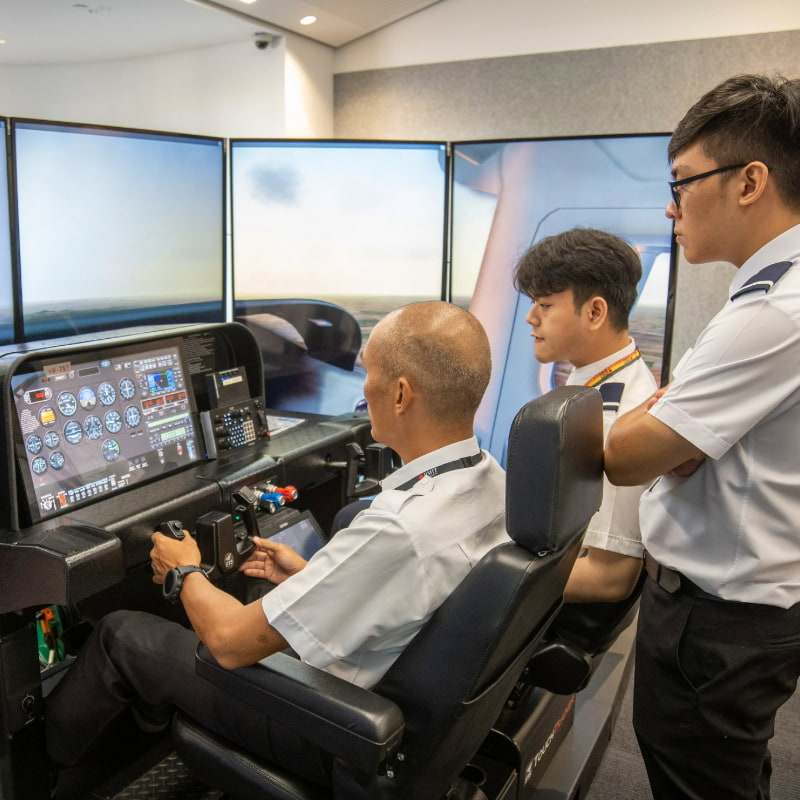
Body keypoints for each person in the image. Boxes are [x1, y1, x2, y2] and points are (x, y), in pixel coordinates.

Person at [45, 301, 509, 785]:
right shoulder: (489, 478)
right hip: (403, 710)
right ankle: (152, 722)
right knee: (240, 600)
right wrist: (313, 579)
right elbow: (417, 597)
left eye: (368, 371)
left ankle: (52, 779)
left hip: (327, 729)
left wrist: (184, 571)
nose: (363, 385)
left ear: (399, 395)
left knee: (121, 633)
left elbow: (228, 644)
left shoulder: (401, 529)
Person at [604, 74, 800, 800]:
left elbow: (626, 456)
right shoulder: (764, 294)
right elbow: (669, 431)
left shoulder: (774, 312)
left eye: (684, 182)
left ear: (750, 181)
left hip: (720, 623)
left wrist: (662, 430)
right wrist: (671, 429)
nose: (671, 205)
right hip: (748, 609)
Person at [513, 227, 656, 603]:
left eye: (544, 305)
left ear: (594, 312)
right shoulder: (593, 381)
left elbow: (608, 576)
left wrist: (472, 583)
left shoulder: (607, 421)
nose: (530, 318)